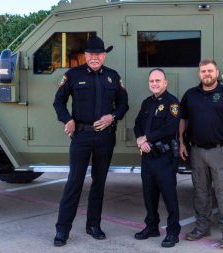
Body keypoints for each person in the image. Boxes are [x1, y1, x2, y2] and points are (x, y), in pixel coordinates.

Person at [52, 36, 129, 247]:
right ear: (86, 56)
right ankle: (62, 229)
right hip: (82, 136)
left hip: (105, 136)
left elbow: (124, 104)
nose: (95, 57)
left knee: (99, 183)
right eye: (91, 54)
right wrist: (67, 119)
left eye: (99, 54)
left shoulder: (113, 77)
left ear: (104, 55)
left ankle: (93, 225)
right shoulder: (73, 75)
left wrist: (112, 116)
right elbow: (58, 101)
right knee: (74, 182)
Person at [179, 59, 223, 249]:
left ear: (216, 73)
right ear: (199, 74)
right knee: (201, 192)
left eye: (210, 71)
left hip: (222, 151)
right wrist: (182, 142)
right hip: (197, 151)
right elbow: (182, 119)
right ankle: (202, 227)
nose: (206, 74)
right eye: (203, 71)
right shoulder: (190, 95)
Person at [134, 68, 181, 248]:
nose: (154, 84)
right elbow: (138, 124)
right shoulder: (147, 103)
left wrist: (148, 138)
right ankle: (151, 226)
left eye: (158, 81)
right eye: (152, 81)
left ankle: (173, 232)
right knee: (149, 195)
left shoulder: (172, 103)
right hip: (147, 156)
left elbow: (170, 128)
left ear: (165, 82)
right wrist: (140, 140)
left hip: (164, 158)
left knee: (169, 197)